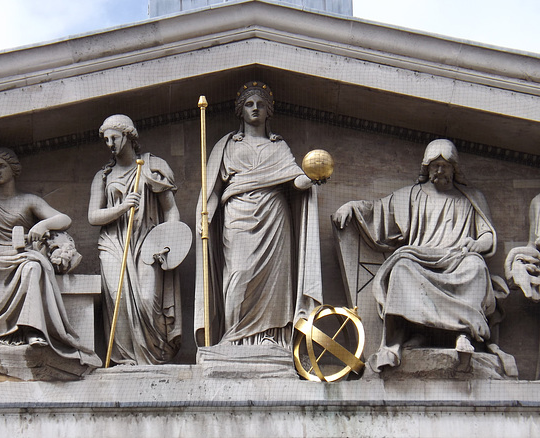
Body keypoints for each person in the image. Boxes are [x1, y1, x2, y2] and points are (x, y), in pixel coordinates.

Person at [333, 139, 503, 372]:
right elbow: (380, 210)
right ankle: (403, 339)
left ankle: (463, 335)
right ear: (426, 168)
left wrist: (475, 244)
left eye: (445, 165)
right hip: (420, 258)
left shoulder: (471, 198)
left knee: (476, 267)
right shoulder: (412, 195)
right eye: (435, 165)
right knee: (402, 268)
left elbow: (488, 236)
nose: (440, 170)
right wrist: (351, 207)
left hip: (457, 259)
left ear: (455, 168)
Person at [194, 81, 323, 348]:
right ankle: (233, 337)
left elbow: (296, 181)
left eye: (261, 105)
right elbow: (214, 189)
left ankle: (269, 337)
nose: (255, 109)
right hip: (237, 215)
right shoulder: (227, 146)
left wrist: (314, 176)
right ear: (240, 111)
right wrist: (205, 214)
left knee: (273, 283)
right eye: (250, 104)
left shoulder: (278, 147)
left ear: (268, 112)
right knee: (238, 275)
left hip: (274, 217)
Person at [0, 148, 101, 368]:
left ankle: (33, 330)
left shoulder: (28, 201)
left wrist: (43, 224)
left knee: (33, 267)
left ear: (14, 169)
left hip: (20, 254)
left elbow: (64, 219)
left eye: (2, 166)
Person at [89, 114, 182, 365]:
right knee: (117, 299)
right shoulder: (103, 176)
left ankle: (152, 358)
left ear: (128, 137)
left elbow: (170, 210)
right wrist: (122, 208)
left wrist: (169, 243)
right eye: (106, 139)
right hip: (112, 244)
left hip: (147, 242)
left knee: (146, 298)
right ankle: (124, 360)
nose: (110, 143)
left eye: (114, 137)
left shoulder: (152, 167)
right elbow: (93, 216)